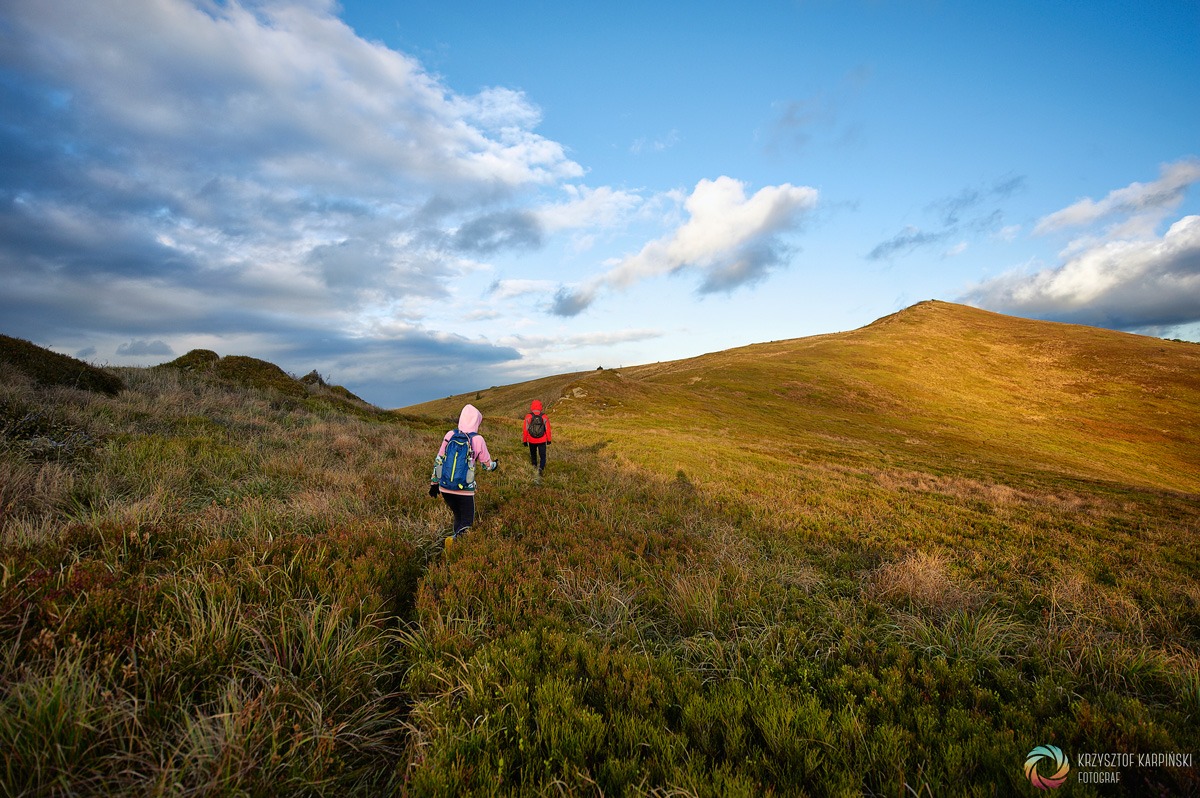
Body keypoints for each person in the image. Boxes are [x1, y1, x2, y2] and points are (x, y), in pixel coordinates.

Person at [429, 404, 497, 548]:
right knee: (466, 523)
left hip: (445, 488)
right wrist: (494, 465)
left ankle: (454, 542)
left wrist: (434, 484)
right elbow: (487, 466)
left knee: (458, 517)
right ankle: (455, 547)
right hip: (465, 490)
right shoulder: (478, 439)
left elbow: (439, 460)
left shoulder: (450, 435)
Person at [521, 399, 552, 481]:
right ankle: (541, 468)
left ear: (532, 406)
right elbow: (548, 429)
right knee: (543, 456)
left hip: (531, 440)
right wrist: (549, 440)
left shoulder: (528, 416)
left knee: (533, 454)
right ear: (540, 406)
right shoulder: (544, 416)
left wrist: (524, 440)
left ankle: (534, 467)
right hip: (542, 440)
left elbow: (525, 430)